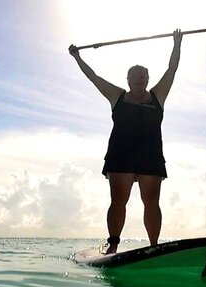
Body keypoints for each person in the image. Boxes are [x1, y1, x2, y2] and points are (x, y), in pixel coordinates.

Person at [68, 30, 183, 254]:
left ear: (148, 80)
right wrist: (78, 58)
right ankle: (112, 245)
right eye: (135, 77)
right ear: (128, 80)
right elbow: (94, 78)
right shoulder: (116, 96)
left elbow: (172, 69)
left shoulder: (158, 96)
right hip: (121, 155)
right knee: (118, 201)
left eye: (144, 77)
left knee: (151, 202)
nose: (140, 80)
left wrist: (176, 44)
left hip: (150, 156)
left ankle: (153, 247)